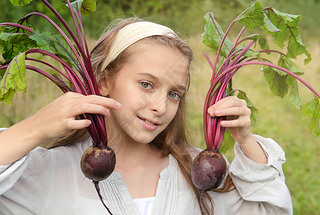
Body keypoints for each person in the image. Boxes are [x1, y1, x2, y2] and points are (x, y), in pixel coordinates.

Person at [0, 18, 292, 215]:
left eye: (174, 94)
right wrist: (35, 128)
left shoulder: (195, 173)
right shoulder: (47, 171)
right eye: (146, 84)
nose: (160, 106)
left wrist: (246, 140)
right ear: (103, 81)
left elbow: (269, 210)